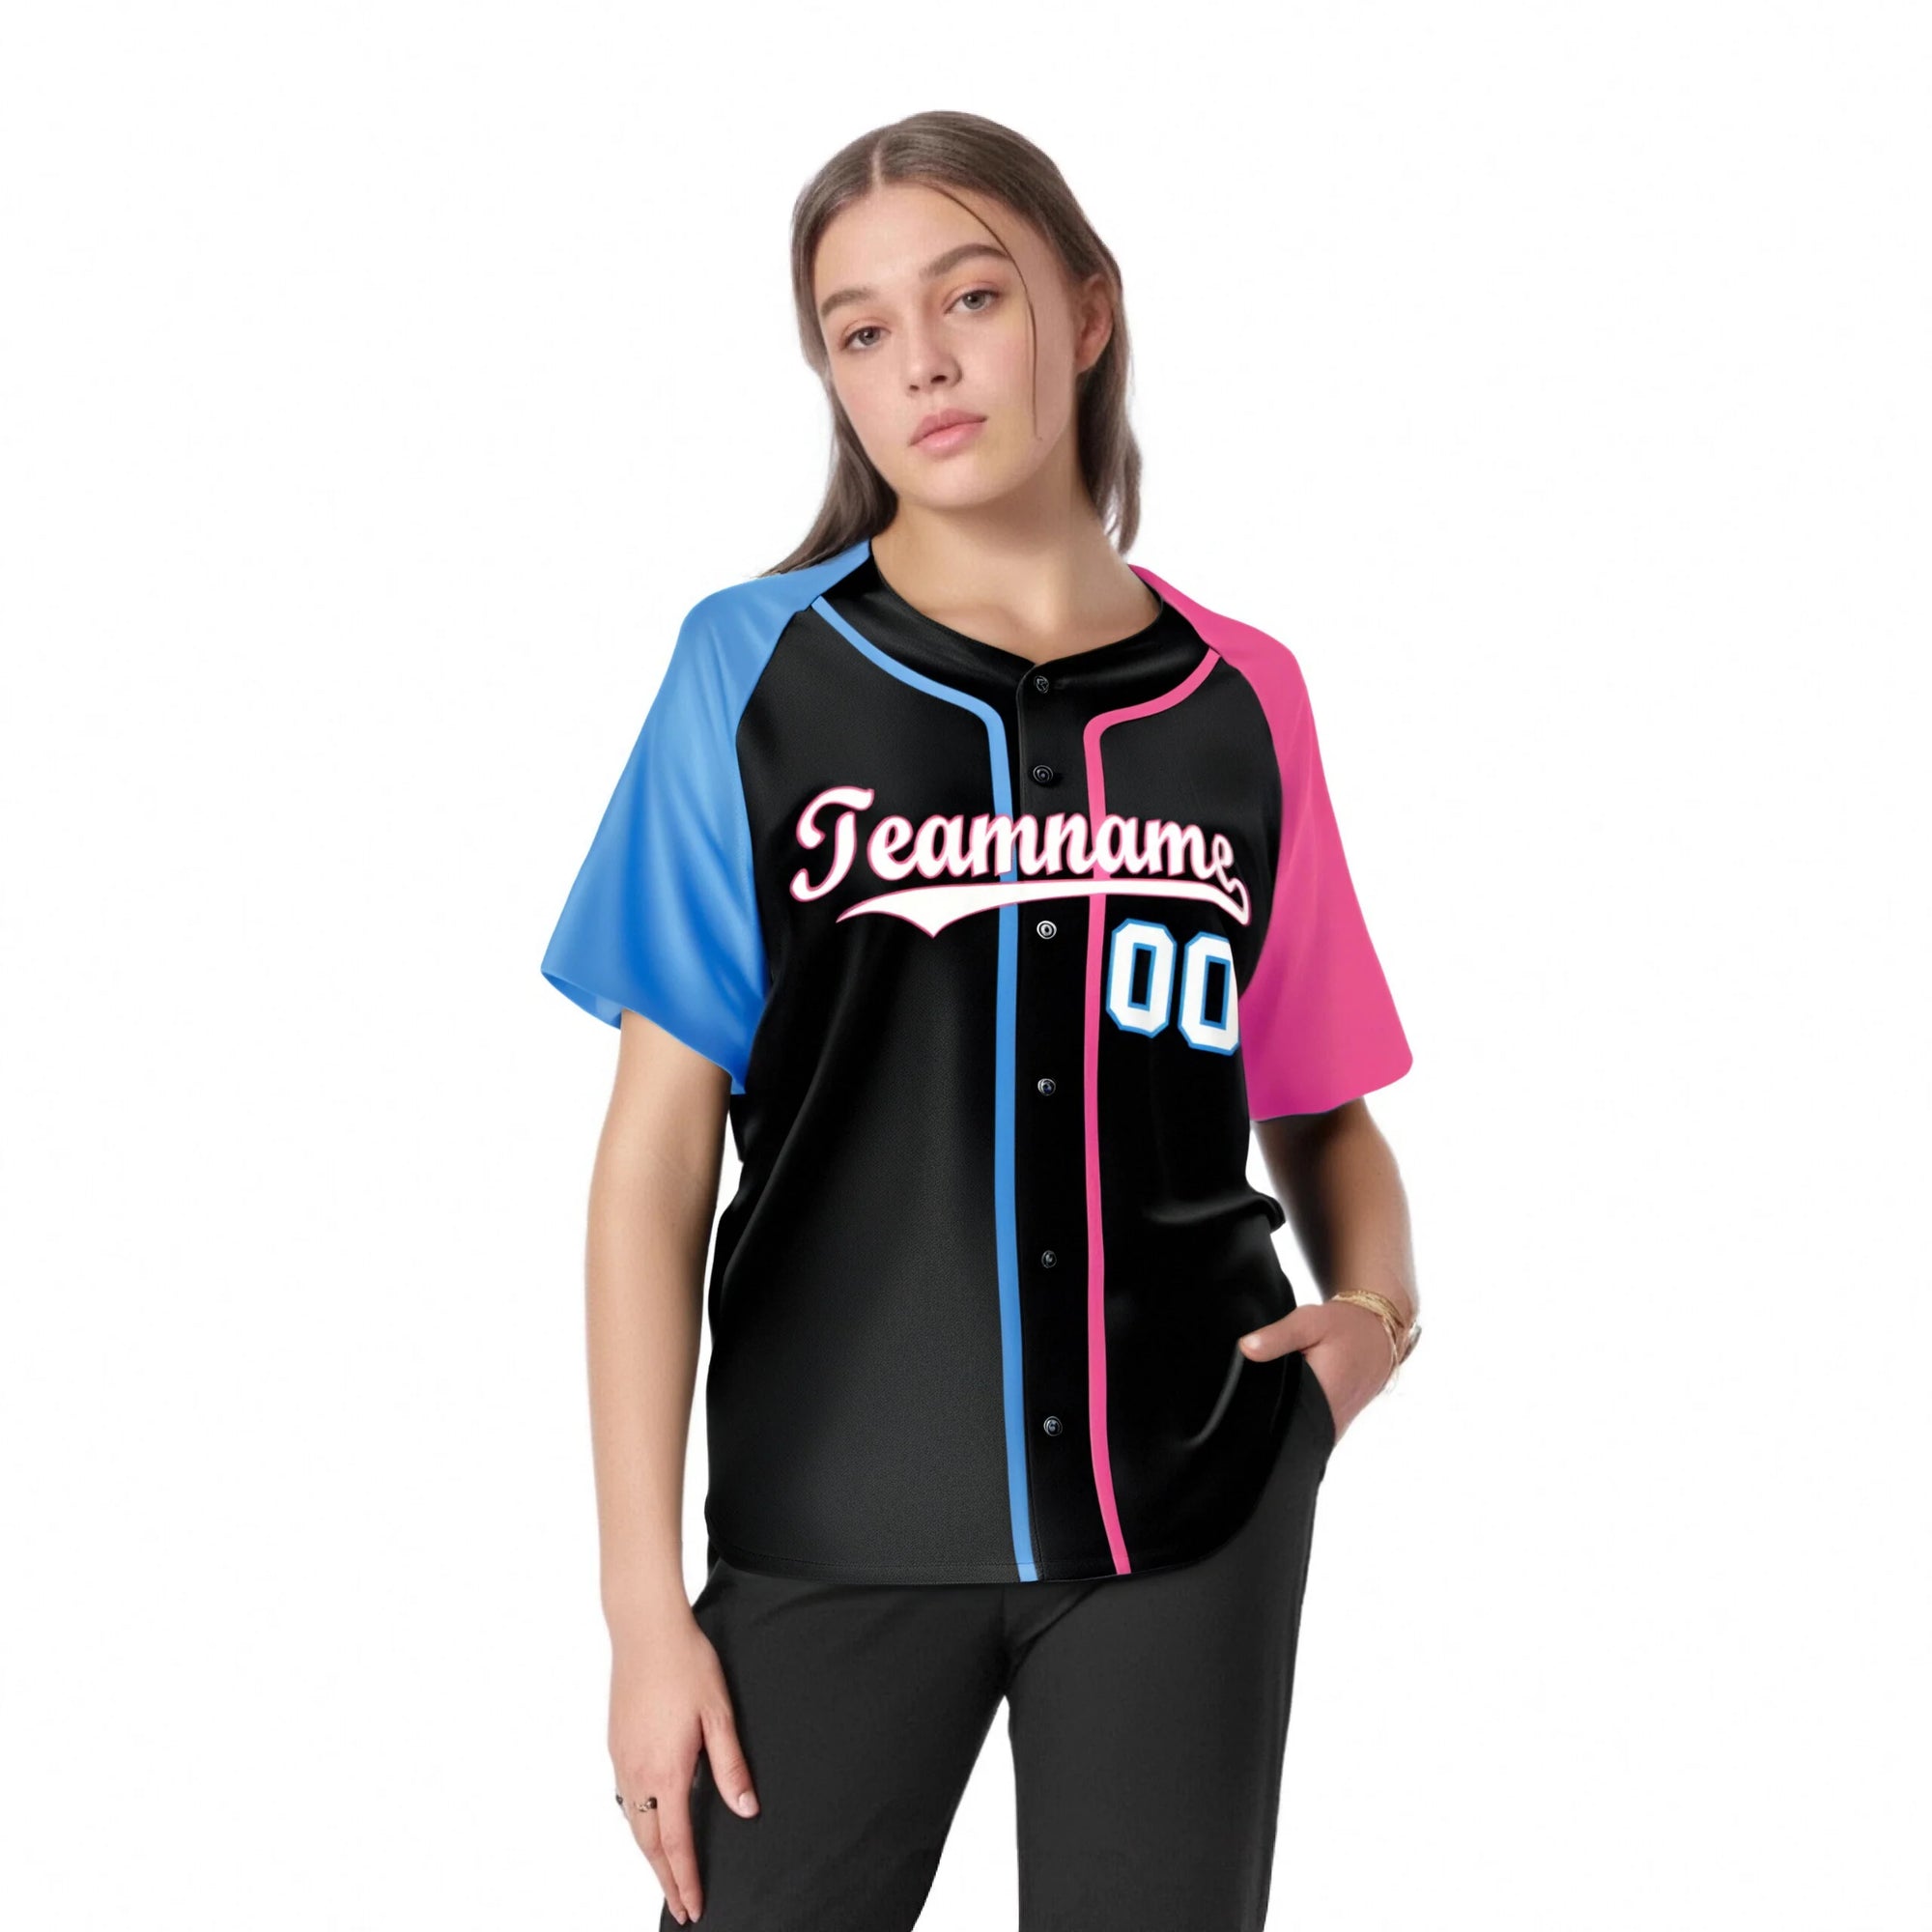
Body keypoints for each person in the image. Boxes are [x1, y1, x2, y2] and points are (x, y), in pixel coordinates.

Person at [539, 109, 1421, 1932]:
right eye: (861, 331)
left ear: (1085, 313)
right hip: (825, 1525)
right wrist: (642, 1611)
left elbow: (1322, 1104)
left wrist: (1372, 1329)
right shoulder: (756, 669)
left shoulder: (1243, 696)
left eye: (972, 297)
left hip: (1191, 1516)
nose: (923, 362)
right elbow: (654, 1160)